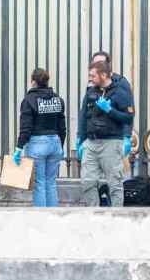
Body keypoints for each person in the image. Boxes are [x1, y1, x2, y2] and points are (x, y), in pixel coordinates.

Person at [77, 60, 135, 207]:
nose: (90, 78)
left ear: (103, 75)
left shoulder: (120, 92)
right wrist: (81, 139)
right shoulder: (91, 92)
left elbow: (128, 118)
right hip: (91, 143)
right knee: (87, 181)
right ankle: (94, 213)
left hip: (111, 143)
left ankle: (116, 217)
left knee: (114, 183)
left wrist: (110, 110)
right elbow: (84, 116)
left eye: (93, 75)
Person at [13, 68, 66, 207]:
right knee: (51, 182)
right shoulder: (57, 99)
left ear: (34, 82)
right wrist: (61, 144)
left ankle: (41, 219)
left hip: (37, 144)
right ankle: (53, 217)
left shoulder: (29, 100)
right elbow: (62, 127)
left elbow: (26, 127)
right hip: (55, 142)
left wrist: (19, 147)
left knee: (40, 183)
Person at [90, 51, 134, 158]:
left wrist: (127, 136)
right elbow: (85, 111)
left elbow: (128, 112)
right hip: (95, 138)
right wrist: (80, 136)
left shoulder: (121, 82)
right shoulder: (92, 84)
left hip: (114, 137)